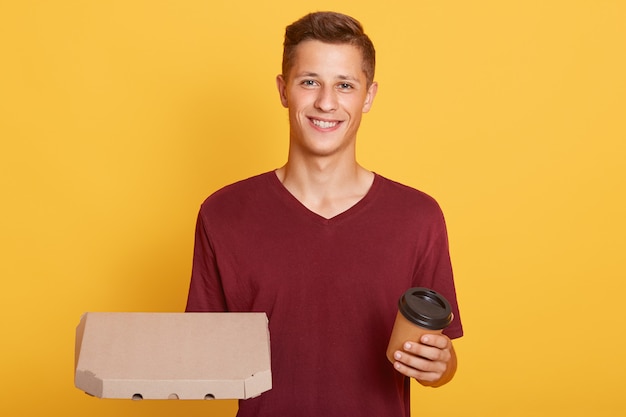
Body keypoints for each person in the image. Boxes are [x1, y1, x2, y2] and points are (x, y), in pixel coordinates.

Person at [186, 11, 463, 417]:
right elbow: (198, 357)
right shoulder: (223, 213)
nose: (326, 102)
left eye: (345, 85)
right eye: (309, 81)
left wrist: (440, 367)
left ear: (368, 96)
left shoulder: (417, 217)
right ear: (284, 90)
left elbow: (441, 362)